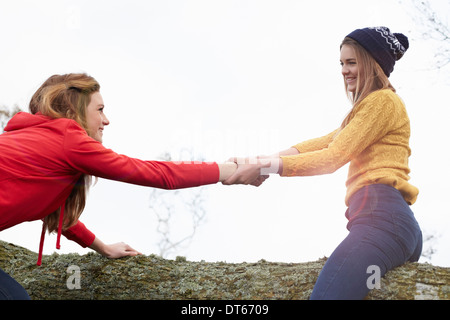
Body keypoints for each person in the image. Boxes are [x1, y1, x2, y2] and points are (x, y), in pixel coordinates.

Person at [223, 26, 423, 299]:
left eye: (352, 62)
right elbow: (320, 144)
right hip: (391, 223)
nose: (344, 70)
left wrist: (263, 167)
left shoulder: (382, 101)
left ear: (372, 64)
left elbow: (331, 158)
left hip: (382, 221)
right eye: (341, 63)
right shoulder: (365, 113)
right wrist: (257, 160)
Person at [0, 73, 238, 299]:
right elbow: (159, 174)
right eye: (100, 110)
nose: (106, 120)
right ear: (75, 111)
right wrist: (224, 171)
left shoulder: (40, 140)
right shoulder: (68, 140)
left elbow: (57, 215)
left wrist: (102, 247)